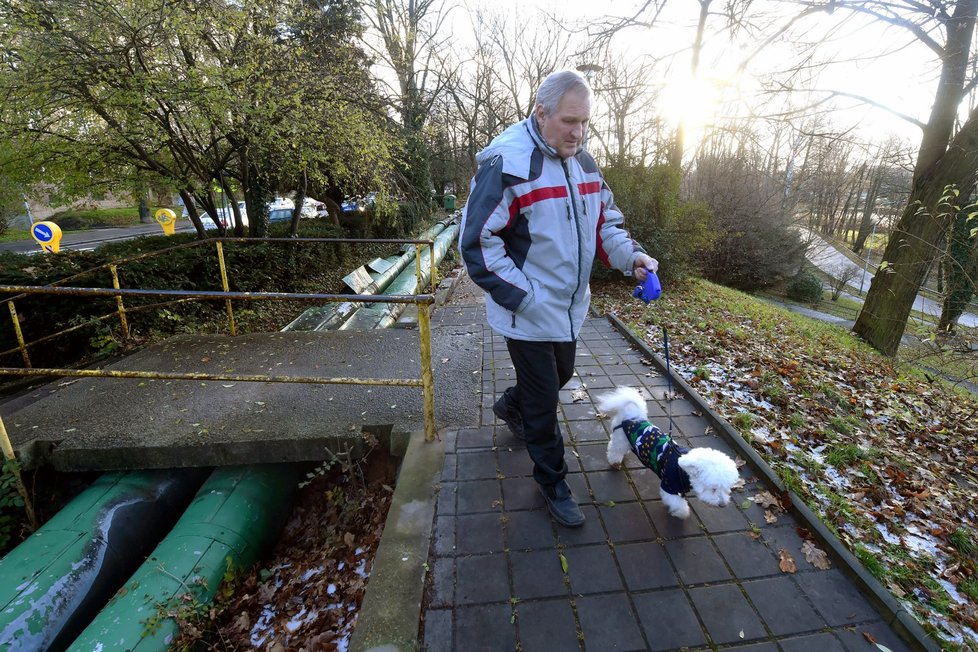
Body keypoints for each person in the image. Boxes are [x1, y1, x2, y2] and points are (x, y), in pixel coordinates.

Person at [458, 69, 658, 528]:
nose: (579, 132)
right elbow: (476, 244)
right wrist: (525, 299)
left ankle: (512, 405)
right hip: (526, 311)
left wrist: (635, 259)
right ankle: (552, 482)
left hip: (568, 309)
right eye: (570, 121)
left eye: (585, 122)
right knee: (545, 399)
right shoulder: (506, 164)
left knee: (560, 374)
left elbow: (605, 225)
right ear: (541, 112)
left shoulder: (583, 162)